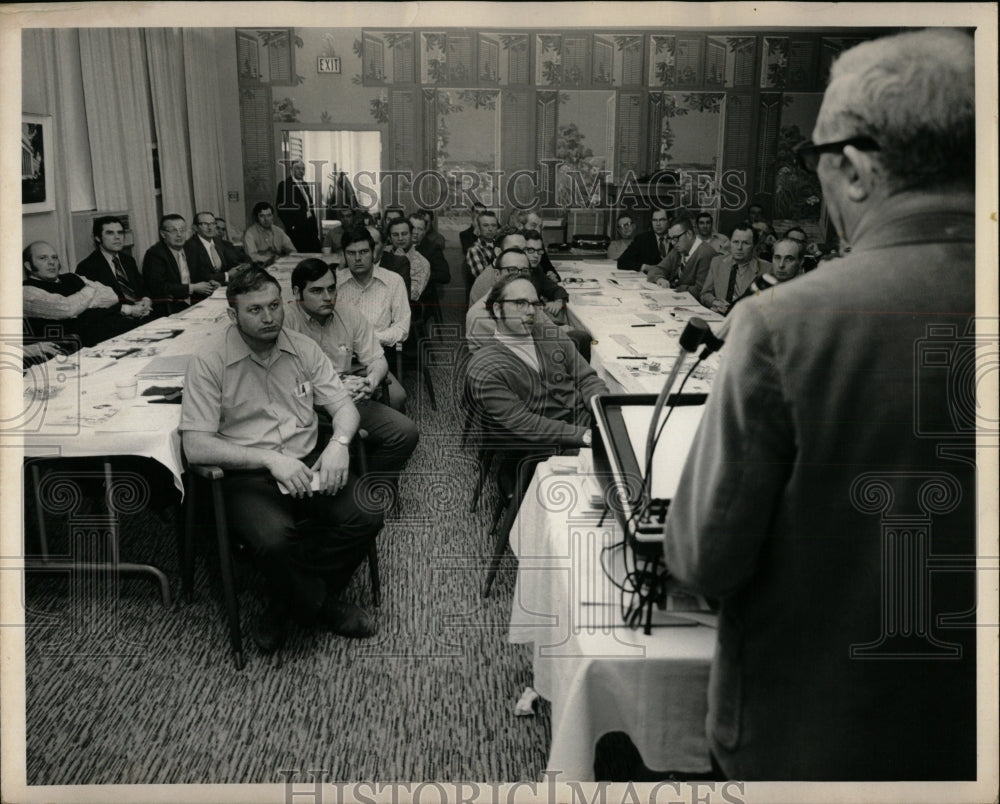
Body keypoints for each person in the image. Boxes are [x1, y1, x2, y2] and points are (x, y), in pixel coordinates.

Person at [663, 29, 977, 781]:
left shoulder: (788, 323)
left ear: (859, 170)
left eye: (818, 165)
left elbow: (702, 560)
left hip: (817, 734)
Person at [181, 267, 383, 651]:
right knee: (275, 541)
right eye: (255, 310)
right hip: (248, 471)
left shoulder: (303, 348)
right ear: (232, 315)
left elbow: (344, 408)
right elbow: (197, 446)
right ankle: (322, 607)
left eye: (274, 306)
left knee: (367, 513)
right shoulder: (209, 359)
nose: (269, 317)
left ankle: (286, 603)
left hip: (309, 461)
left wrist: (339, 443)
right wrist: (269, 460)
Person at [286, 258, 418, 487]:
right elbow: (283, 381)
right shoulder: (285, 320)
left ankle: (363, 480)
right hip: (302, 403)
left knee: (406, 432)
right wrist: (330, 388)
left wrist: (372, 380)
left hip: (347, 400)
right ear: (298, 292)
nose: (328, 297)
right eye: (317, 291)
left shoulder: (348, 314)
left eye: (331, 288)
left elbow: (376, 358)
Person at [466, 273, 608, 451]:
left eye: (534, 303)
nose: (531, 311)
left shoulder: (551, 334)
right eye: (520, 303)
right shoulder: (484, 366)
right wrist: (585, 436)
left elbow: (587, 378)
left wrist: (602, 409)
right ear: (497, 309)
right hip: (549, 444)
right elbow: (523, 423)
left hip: (587, 420)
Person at [335, 227, 411, 411]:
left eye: (363, 252)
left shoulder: (393, 281)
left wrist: (370, 339)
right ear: (344, 255)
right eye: (351, 253)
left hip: (375, 358)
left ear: (374, 252)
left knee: (397, 398)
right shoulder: (335, 283)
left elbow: (402, 328)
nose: (358, 258)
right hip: (337, 359)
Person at [23, 241, 139, 347]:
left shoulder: (71, 277)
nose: (51, 262)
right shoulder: (25, 290)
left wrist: (79, 304)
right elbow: (66, 309)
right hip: (82, 344)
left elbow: (112, 296)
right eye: (43, 258)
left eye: (54, 257)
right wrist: (90, 290)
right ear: (28, 266)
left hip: (114, 329)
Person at [75, 215, 154, 320]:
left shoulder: (128, 260)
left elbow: (142, 287)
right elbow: (90, 308)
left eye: (120, 232)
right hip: (115, 322)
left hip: (142, 316)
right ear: (98, 238)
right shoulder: (87, 267)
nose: (117, 237)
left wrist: (146, 299)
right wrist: (128, 310)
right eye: (110, 233)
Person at [143, 214, 220, 317]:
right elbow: (158, 287)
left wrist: (211, 283)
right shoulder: (155, 254)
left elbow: (200, 274)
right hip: (170, 308)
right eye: (174, 231)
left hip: (195, 304)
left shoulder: (191, 249)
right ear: (163, 234)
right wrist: (192, 288)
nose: (179, 235)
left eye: (182, 230)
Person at [699, 223, 771, 314]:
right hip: (719, 317)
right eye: (735, 242)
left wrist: (731, 310)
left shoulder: (766, 269)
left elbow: (766, 306)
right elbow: (705, 294)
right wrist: (715, 302)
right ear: (730, 242)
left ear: (754, 246)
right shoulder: (717, 262)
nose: (739, 247)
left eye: (745, 243)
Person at [647, 216, 717, 298]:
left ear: (689, 234)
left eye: (676, 238)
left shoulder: (706, 253)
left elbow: (700, 291)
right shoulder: (678, 250)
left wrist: (675, 287)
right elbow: (655, 270)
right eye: (670, 239)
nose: (673, 243)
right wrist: (660, 279)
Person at [185, 211, 249, 283]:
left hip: (223, 286)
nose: (210, 228)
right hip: (204, 289)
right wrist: (226, 275)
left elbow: (232, 261)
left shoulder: (218, 241)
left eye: (212, 224)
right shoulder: (190, 246)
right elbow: (197, 277)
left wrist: (240, 267)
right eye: (205, 224)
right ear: (195, 228)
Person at [275, 159, 321, 253]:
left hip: (310, 228)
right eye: (298, 168)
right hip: (296, 231)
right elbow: (280, 209)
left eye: (303, 169)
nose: (301, 171)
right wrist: (291, 226)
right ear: (291, 169)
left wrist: (315, 227)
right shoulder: (284, 185)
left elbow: (309, 206)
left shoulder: (305, 185)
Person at [386, 218, 430, 302]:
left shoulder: (422, 263)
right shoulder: (384, 252)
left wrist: (399, 263)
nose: (400, 238)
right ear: (389, 238)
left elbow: (412, 296)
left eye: (404, 234)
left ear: (411, 235)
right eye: (395, 235)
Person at [616, 208, 669, 272]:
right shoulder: (642, 239)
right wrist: (645, 267)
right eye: (655, 220)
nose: (658, 224)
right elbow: (622, 262)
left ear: (669, 221)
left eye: (662, 220)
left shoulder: (676, 237)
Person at [243, 201, 295, 266]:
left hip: (278, 266)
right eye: (262, 216)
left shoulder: (278, 231)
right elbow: (252, 257)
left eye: (269, 215)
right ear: (256, 218)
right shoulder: (249, 233)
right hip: (259, 268)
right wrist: (271, 260)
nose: (266, 219)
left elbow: (292, 250)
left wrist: (287, 259)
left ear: (272, 216)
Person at [463, 209, 500, 295]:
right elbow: (485, 281)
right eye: (486, 225)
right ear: (479, 228)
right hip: (484, 297)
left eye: (494, 225)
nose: (490, 229)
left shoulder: (501, 245)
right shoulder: (474, 250)